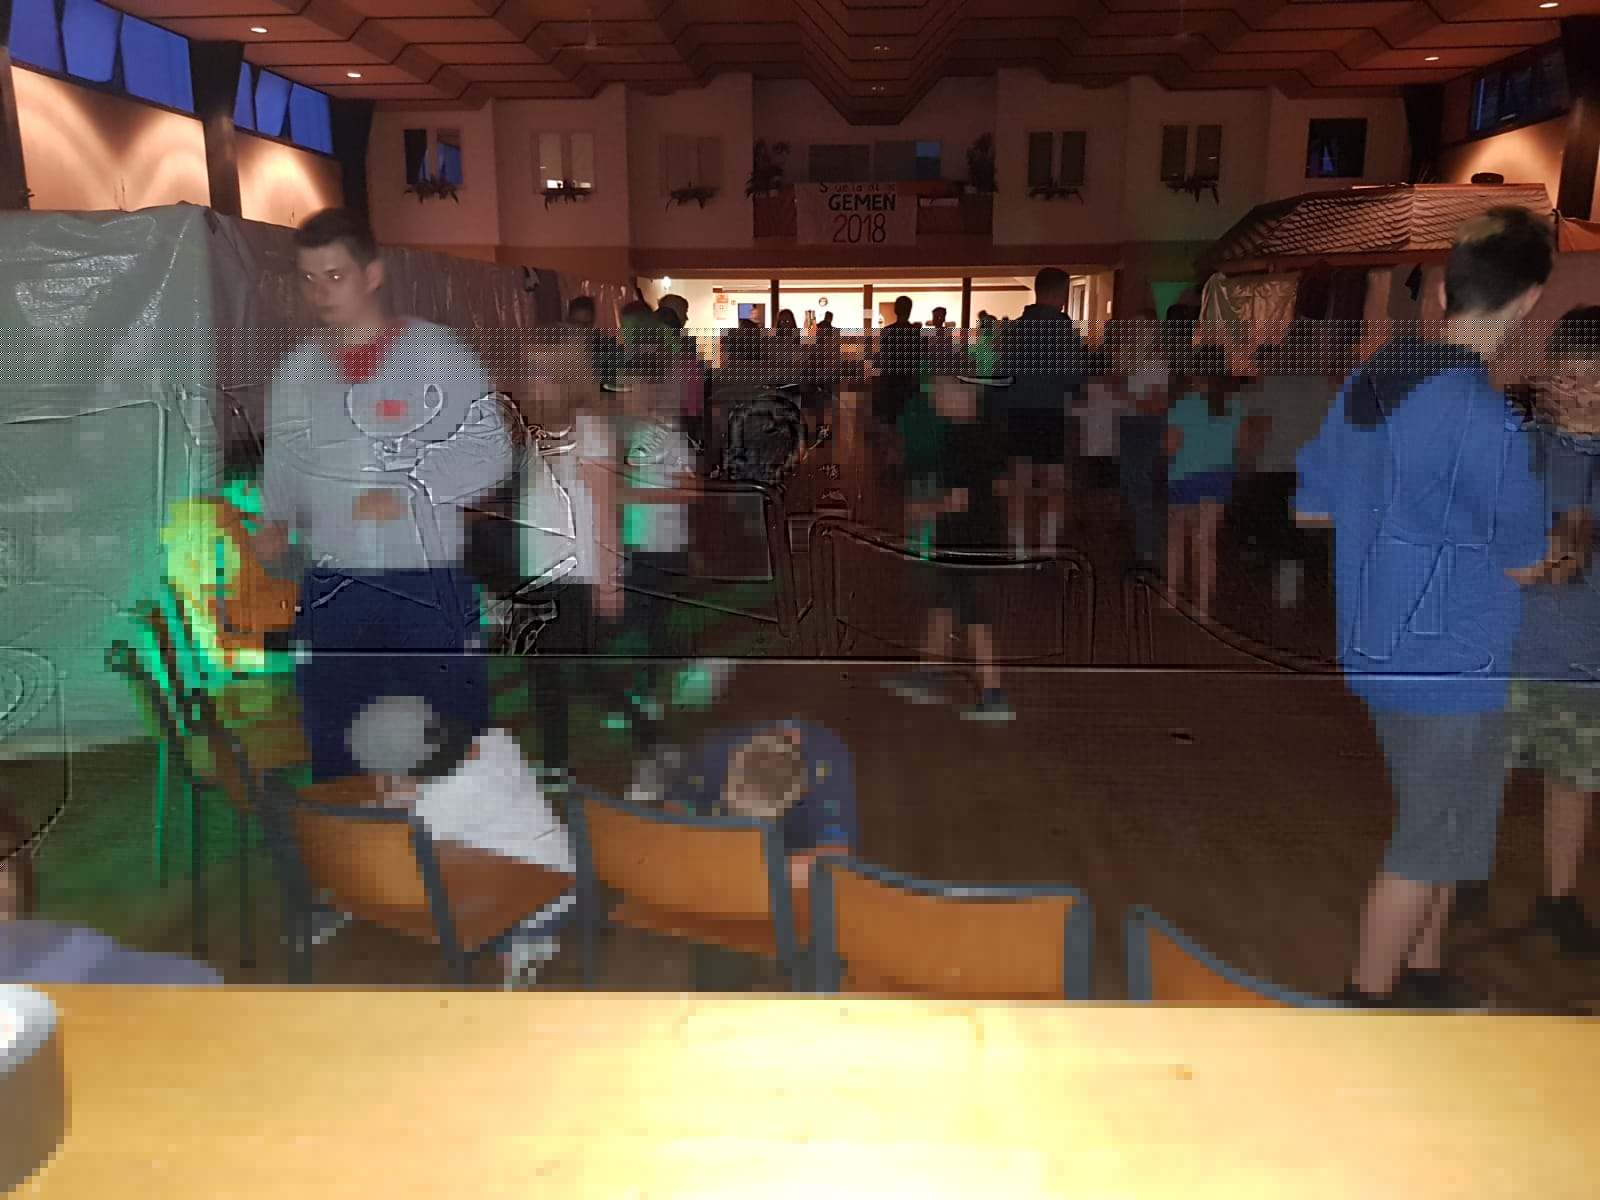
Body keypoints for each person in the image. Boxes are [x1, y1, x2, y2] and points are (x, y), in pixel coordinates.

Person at [1295, 206, 1552, 1009]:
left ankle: (1426, 972)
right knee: (1429, 834)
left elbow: (1313, 507)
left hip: (1381, 643)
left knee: (1455, 825)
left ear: (1442, 290)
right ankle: (1368, 998)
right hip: (1451, 656)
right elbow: (1527, 562)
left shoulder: (1370, 384)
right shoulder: (1487, 419)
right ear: (1529, 302)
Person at [257, 208, 513, 783]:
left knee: (453, 741)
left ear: (372, 275)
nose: (321, 293)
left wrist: (410, 492)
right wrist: (275, 521)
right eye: (308, 278)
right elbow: (284, 461)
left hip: (425, 583)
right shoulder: (298, 373)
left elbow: (491, 451)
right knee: (337, 737)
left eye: (335, 275)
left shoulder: (437, 355)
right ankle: (353, 838)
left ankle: (459, 835)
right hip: (335, 586)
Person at [1486, 306, 1600, 954]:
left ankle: (1558, 897)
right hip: (1511, 649)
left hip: (1587, 654)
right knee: (1489, 775)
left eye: (1593, 376)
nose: (1578, 390)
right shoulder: (1522, 445)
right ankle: (1461, 880)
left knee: (1574, 782)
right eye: (1568, 374)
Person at [349, 695, 578, 988]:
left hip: (537, 902)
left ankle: (524, 943)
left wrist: (386, 794)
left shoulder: (446, 798)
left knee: (427, 880)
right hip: (559, 873)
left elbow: (391, 833)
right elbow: (436, 795)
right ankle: (525, 938)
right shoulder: (495, 743)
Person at [884, 377, 1012, 720]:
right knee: (943, 603)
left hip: (963, 540)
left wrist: (923, 509)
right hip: (980, 535)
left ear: (963, 396)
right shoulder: (988, 432)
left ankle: (993, 695)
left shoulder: (959, 440)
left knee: (973, 616)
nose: (935, 400)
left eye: (941, 393)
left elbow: (958, 500)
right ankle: (930, 673)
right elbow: (1000, 486)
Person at [996, 268, 1086, 557]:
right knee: (1053, 485)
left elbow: (1001, 378)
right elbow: (1074, 378)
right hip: (1051, 413)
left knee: (1019, 484)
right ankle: (1047, 548)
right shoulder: (1064, 331)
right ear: (1060, 293)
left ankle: (1018, 549)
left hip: (1018, 414)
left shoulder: (1014, 330)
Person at [1165, 359, 1245, 617]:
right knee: (1206, 542)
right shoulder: (1234, 405)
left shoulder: (1184, 406)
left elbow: (1171, 447)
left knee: (1177, 538)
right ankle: (1203, 606)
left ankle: (1172, 597)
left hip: (1185, 477)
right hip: (1218, 478)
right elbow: (1239, 444)